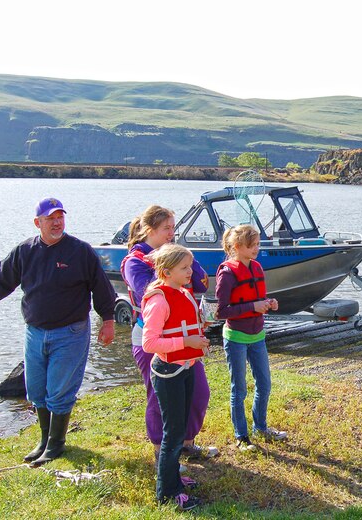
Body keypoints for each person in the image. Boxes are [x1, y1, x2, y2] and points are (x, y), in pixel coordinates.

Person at [0, 197, 116, 467]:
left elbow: (101, 287)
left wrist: (108, 319)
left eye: (60, 217)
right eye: (50, 218)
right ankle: (43, 439)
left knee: (60, 389)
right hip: (35, 332)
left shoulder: (81, 251)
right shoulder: (25, 251)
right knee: (37, 389)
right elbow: (0, 280)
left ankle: (56, 444)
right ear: (37, 222)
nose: (57, 222)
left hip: (71, 331)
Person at [121, 205, 217, 461]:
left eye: (174, 228)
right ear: (149, 230)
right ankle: (161, 452)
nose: (172, 233)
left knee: (198, 392)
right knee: (159, 397)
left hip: (186, 339)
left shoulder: (176, 256)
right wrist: (166, 264)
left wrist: (185, 258)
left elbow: (198, 282)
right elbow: (149, 294)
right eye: (167, 228)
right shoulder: (135, 262)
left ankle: (186, 444)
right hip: (152, 341)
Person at [141, 244, 210, 511]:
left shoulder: (183, 292)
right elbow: (149, 343)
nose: (190, 272)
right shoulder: (159, 300)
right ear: (166, 272)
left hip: (187, 367)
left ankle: (175, 479)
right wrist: (186, 340)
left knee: (179, 429)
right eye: (184, 268)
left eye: (190, 266)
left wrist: (200, 335)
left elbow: (186, 324)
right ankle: (167, 493)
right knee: (172, 433)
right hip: (169, 372)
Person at [215, 224, 287, 451]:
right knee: (239, 389)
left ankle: (261, 427)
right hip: (236, 336)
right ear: (237, 247)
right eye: (252, 245)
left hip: (257, 335)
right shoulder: (227, 273)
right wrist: (252, 306)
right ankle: (241, 437)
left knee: (264, 384)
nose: (257, 248)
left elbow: (257, 297)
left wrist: (268, 303)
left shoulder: (256, 267)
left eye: (257, 244)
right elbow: (221, 311)